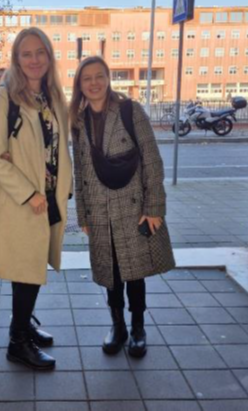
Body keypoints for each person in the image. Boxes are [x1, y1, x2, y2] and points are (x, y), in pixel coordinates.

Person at [70, 56, 175, 358]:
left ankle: (138, 327)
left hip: (132, 206)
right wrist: (83, 214)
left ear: (107, 78)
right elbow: (80, 171)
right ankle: (118, 326)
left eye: (99, 76)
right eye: (87, 78)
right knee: (110, 270)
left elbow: (152, 159)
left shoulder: (130, 111)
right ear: (80, 84)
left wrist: (154, 207)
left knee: (134, 271)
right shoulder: (78, 121)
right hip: (99, 209)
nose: (94, 82)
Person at [0, 27, 72, 370]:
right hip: (22, 201)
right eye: (26, 54)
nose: (34, 60)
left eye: (40, 52)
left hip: (47, 197)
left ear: (49, 57)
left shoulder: (52, 98)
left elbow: (57, 148)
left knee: (32, 268)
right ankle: (17, 342)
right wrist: (29, 193)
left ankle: (22, 327)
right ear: (16, 60)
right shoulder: (4, 99)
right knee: (27, 270)